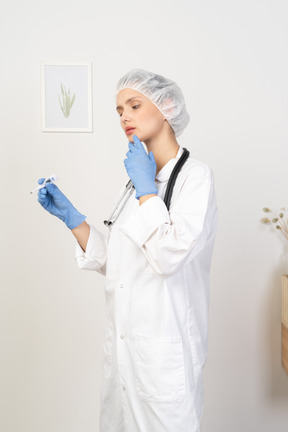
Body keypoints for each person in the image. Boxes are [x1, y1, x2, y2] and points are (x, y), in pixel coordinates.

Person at [37, 68, 217, 432]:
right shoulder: (136, 181)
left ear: (167, 106)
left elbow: (168, 257)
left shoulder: (194, 178)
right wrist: (73, 219)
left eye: (134, 105)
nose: (124, 117)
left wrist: (147, 189)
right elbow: (117, 263)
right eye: (119, 110)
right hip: (124, 359)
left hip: (163, 364)